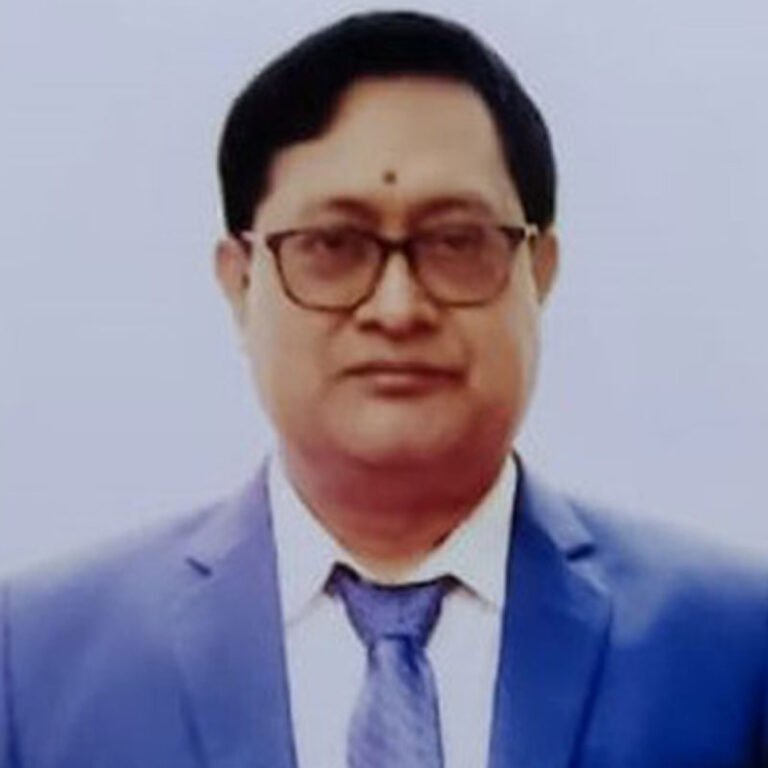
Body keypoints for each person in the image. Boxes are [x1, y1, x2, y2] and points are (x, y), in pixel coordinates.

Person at [1, 10, 767, 768]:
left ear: (539, 273)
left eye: (456, 242)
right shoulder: (37, 664)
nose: (397, 309)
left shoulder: (734, 648)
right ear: (240, 282)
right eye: (332, 245)